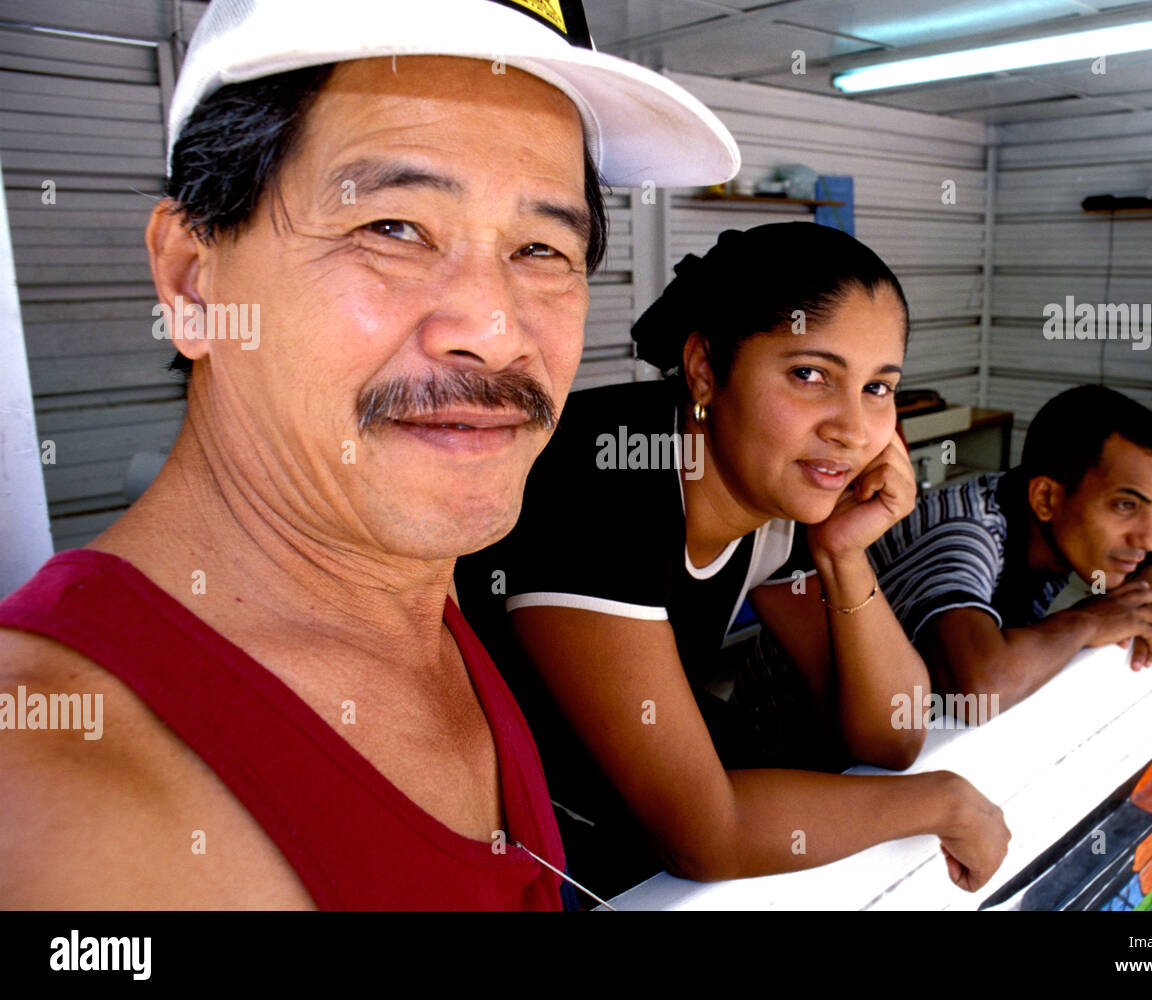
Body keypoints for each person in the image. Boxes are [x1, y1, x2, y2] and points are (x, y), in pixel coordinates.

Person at [0, 0, 740, 909]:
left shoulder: (418, 584)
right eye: (392, 228)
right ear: (194, 282)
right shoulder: (54, 794)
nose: (495, 333)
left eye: (541, 246)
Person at [457, 222, 1011, 901]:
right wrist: (943, 803)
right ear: (704, 370)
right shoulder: (605, 485)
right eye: (810, 375)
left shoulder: (777, 485)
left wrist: (843, 554)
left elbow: (893, 733)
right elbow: (703, 835)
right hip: (499, 836)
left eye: (877, 388)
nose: (854, 430)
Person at [870, 384, 1152, 717]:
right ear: (1046, 498)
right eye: (1125, 506)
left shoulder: (1055, 522)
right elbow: (982, 688)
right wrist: (1089, 621)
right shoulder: (967, 534)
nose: (1149, 539)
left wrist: (1145, 591)